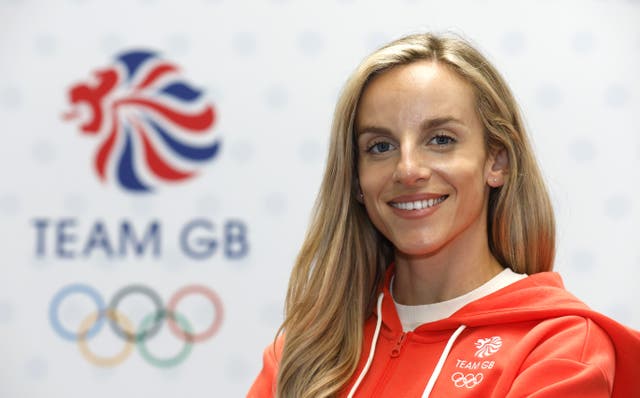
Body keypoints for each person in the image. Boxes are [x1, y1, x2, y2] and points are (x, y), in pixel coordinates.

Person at [247, 33, 640, 397]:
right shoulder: (304, 352)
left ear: (497, 161)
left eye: (440, 140)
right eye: (380, 146)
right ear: (355, 179)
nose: (407, 169)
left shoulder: (559, 346)